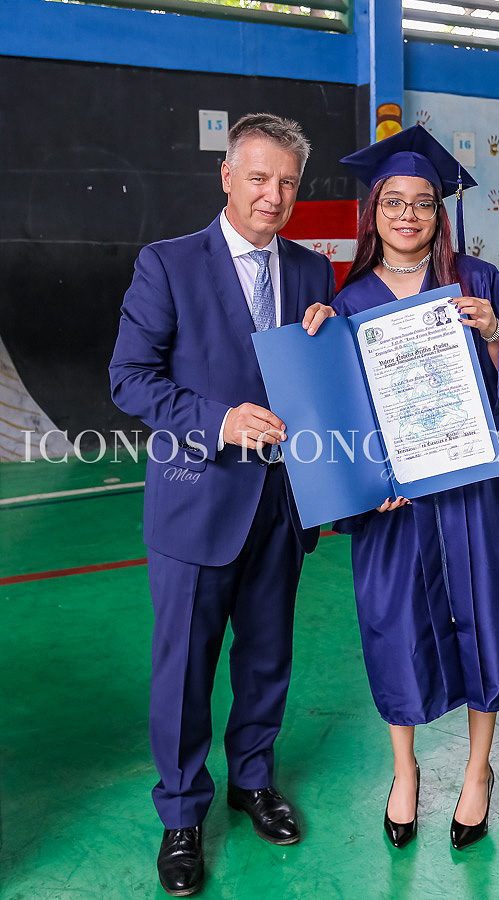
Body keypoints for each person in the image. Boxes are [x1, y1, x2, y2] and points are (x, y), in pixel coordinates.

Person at [109, 113, 335, 896]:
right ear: (228, 176)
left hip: (282, 502)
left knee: (268, 656)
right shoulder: (168, 264)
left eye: (288, 183)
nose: (274, 195)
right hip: (196, 501)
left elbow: (318, 379)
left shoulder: (312, 272)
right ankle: (181, 813)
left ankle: (253, 780)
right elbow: (130, 378)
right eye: (260, 177)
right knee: (184, 669)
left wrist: (333, 337)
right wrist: (219, 421)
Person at [333, 125, 499, 851]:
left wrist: (495, 333)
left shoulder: (477, 282)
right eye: (393, 202)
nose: (408, 215)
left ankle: (476, 769)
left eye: (423, 202)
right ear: (373, 212)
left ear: (440, 212)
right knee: (395, 625)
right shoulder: (349, 301)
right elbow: (340, 408)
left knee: (485, 618)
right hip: (396, 502)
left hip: (475, 491)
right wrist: (367, 480)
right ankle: (404, 770)